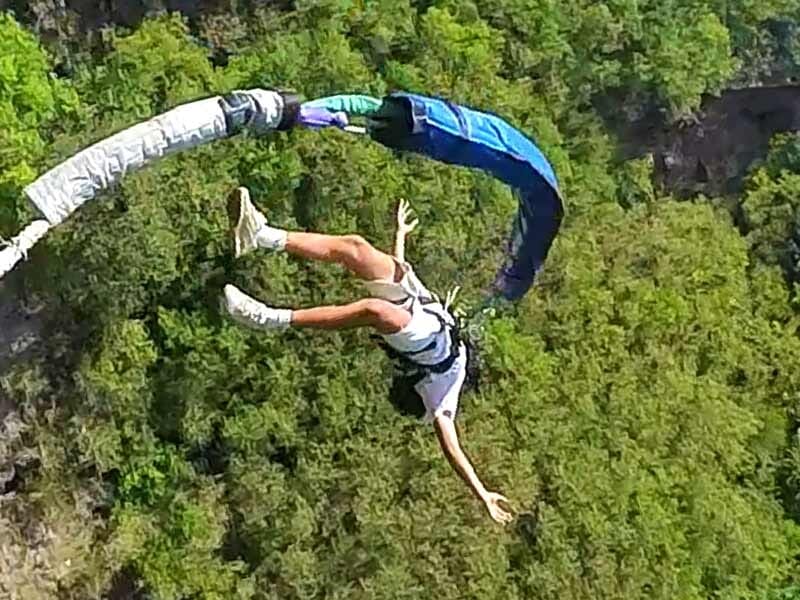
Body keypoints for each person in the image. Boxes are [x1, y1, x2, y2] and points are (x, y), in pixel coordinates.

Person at [221, 187, 513, 524]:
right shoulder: (451, 326)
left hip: (417, 335)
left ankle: (272, 318)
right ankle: (261, 235)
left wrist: (481, 493)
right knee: (355, 247)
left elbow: (451, 445)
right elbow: (402, 268)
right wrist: (399, 235)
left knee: (375, 310)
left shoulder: (448, 383)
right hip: (418, 303)